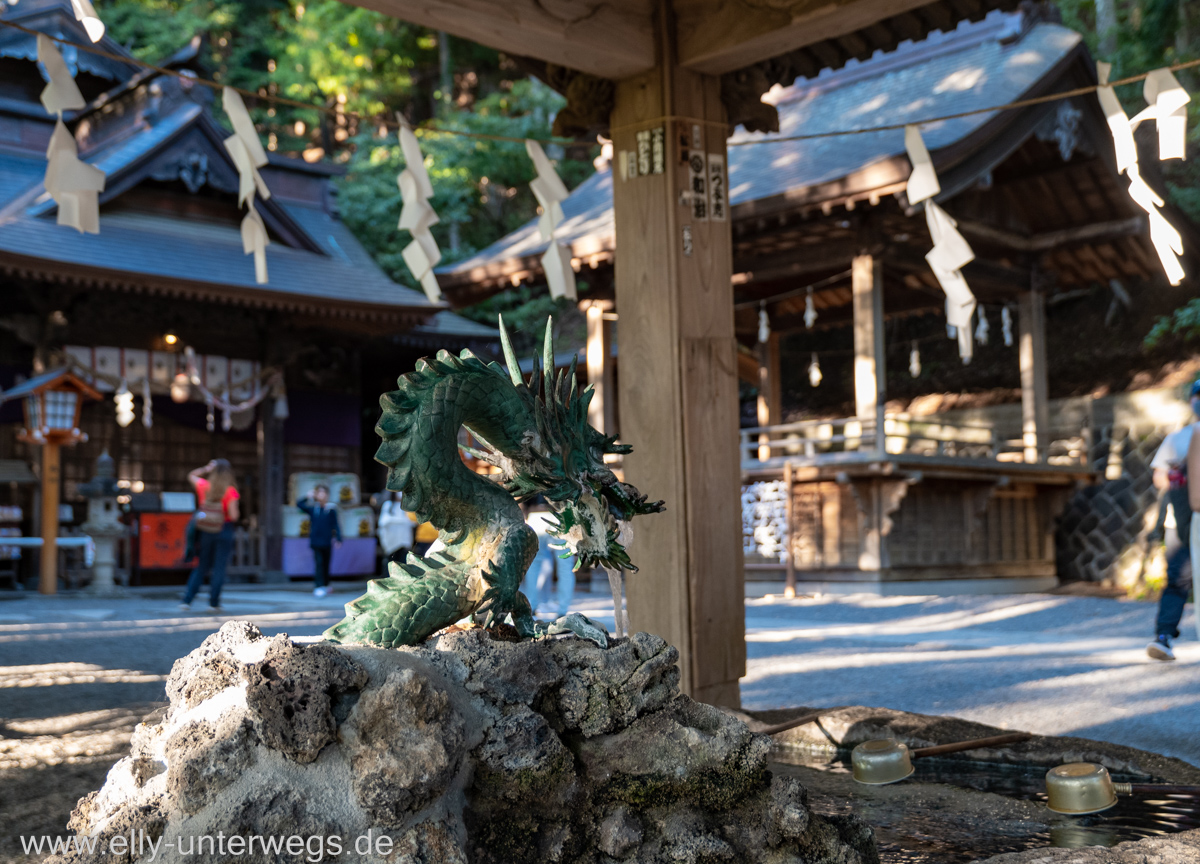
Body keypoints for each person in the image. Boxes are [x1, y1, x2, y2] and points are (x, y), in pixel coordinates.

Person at [1147, 379, 1200, 660]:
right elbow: (1158, 477)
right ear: (1191, 401)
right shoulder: (1177, 438)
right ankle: (1164, 636)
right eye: (1198, 396)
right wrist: (1175, 476)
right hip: (1179, 521)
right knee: (1179, 578)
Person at [181, 459, 239, 613]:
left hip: (206, 529)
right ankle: (213, 603)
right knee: (219, 567)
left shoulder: (204, 486)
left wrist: (205, 468)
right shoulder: (230, 491)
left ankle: (187, 600)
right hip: (224, 529)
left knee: (201, 566)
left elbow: (191, 475)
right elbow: (233, 516)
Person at [522, 502, 575, 617]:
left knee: (533, 562)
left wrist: (523, 512)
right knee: (565, 564)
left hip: (536, 513)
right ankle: (563, 609)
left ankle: (531, 605)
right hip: (561, 514)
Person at [298, 484, 342, 598]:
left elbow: (335, 524)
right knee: (319, 563)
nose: (322, 495)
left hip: (327, 541)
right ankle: (318, 586)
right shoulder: (313, 509)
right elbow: (299, 504)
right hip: (316, 542)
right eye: (319, 493)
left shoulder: (331, 509)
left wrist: (338, 538)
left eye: (324, 493)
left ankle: (326, 585)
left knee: (326, 563)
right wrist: (307, 496)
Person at [377, 490, 414, 565]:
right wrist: (402, 521)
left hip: (404, 541)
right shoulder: (388, 505)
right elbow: (383, 521)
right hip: (391, 541)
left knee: (403, 563)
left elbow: (412, 522)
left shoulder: (407, 507)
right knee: (391, 563)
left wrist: (396, 521)